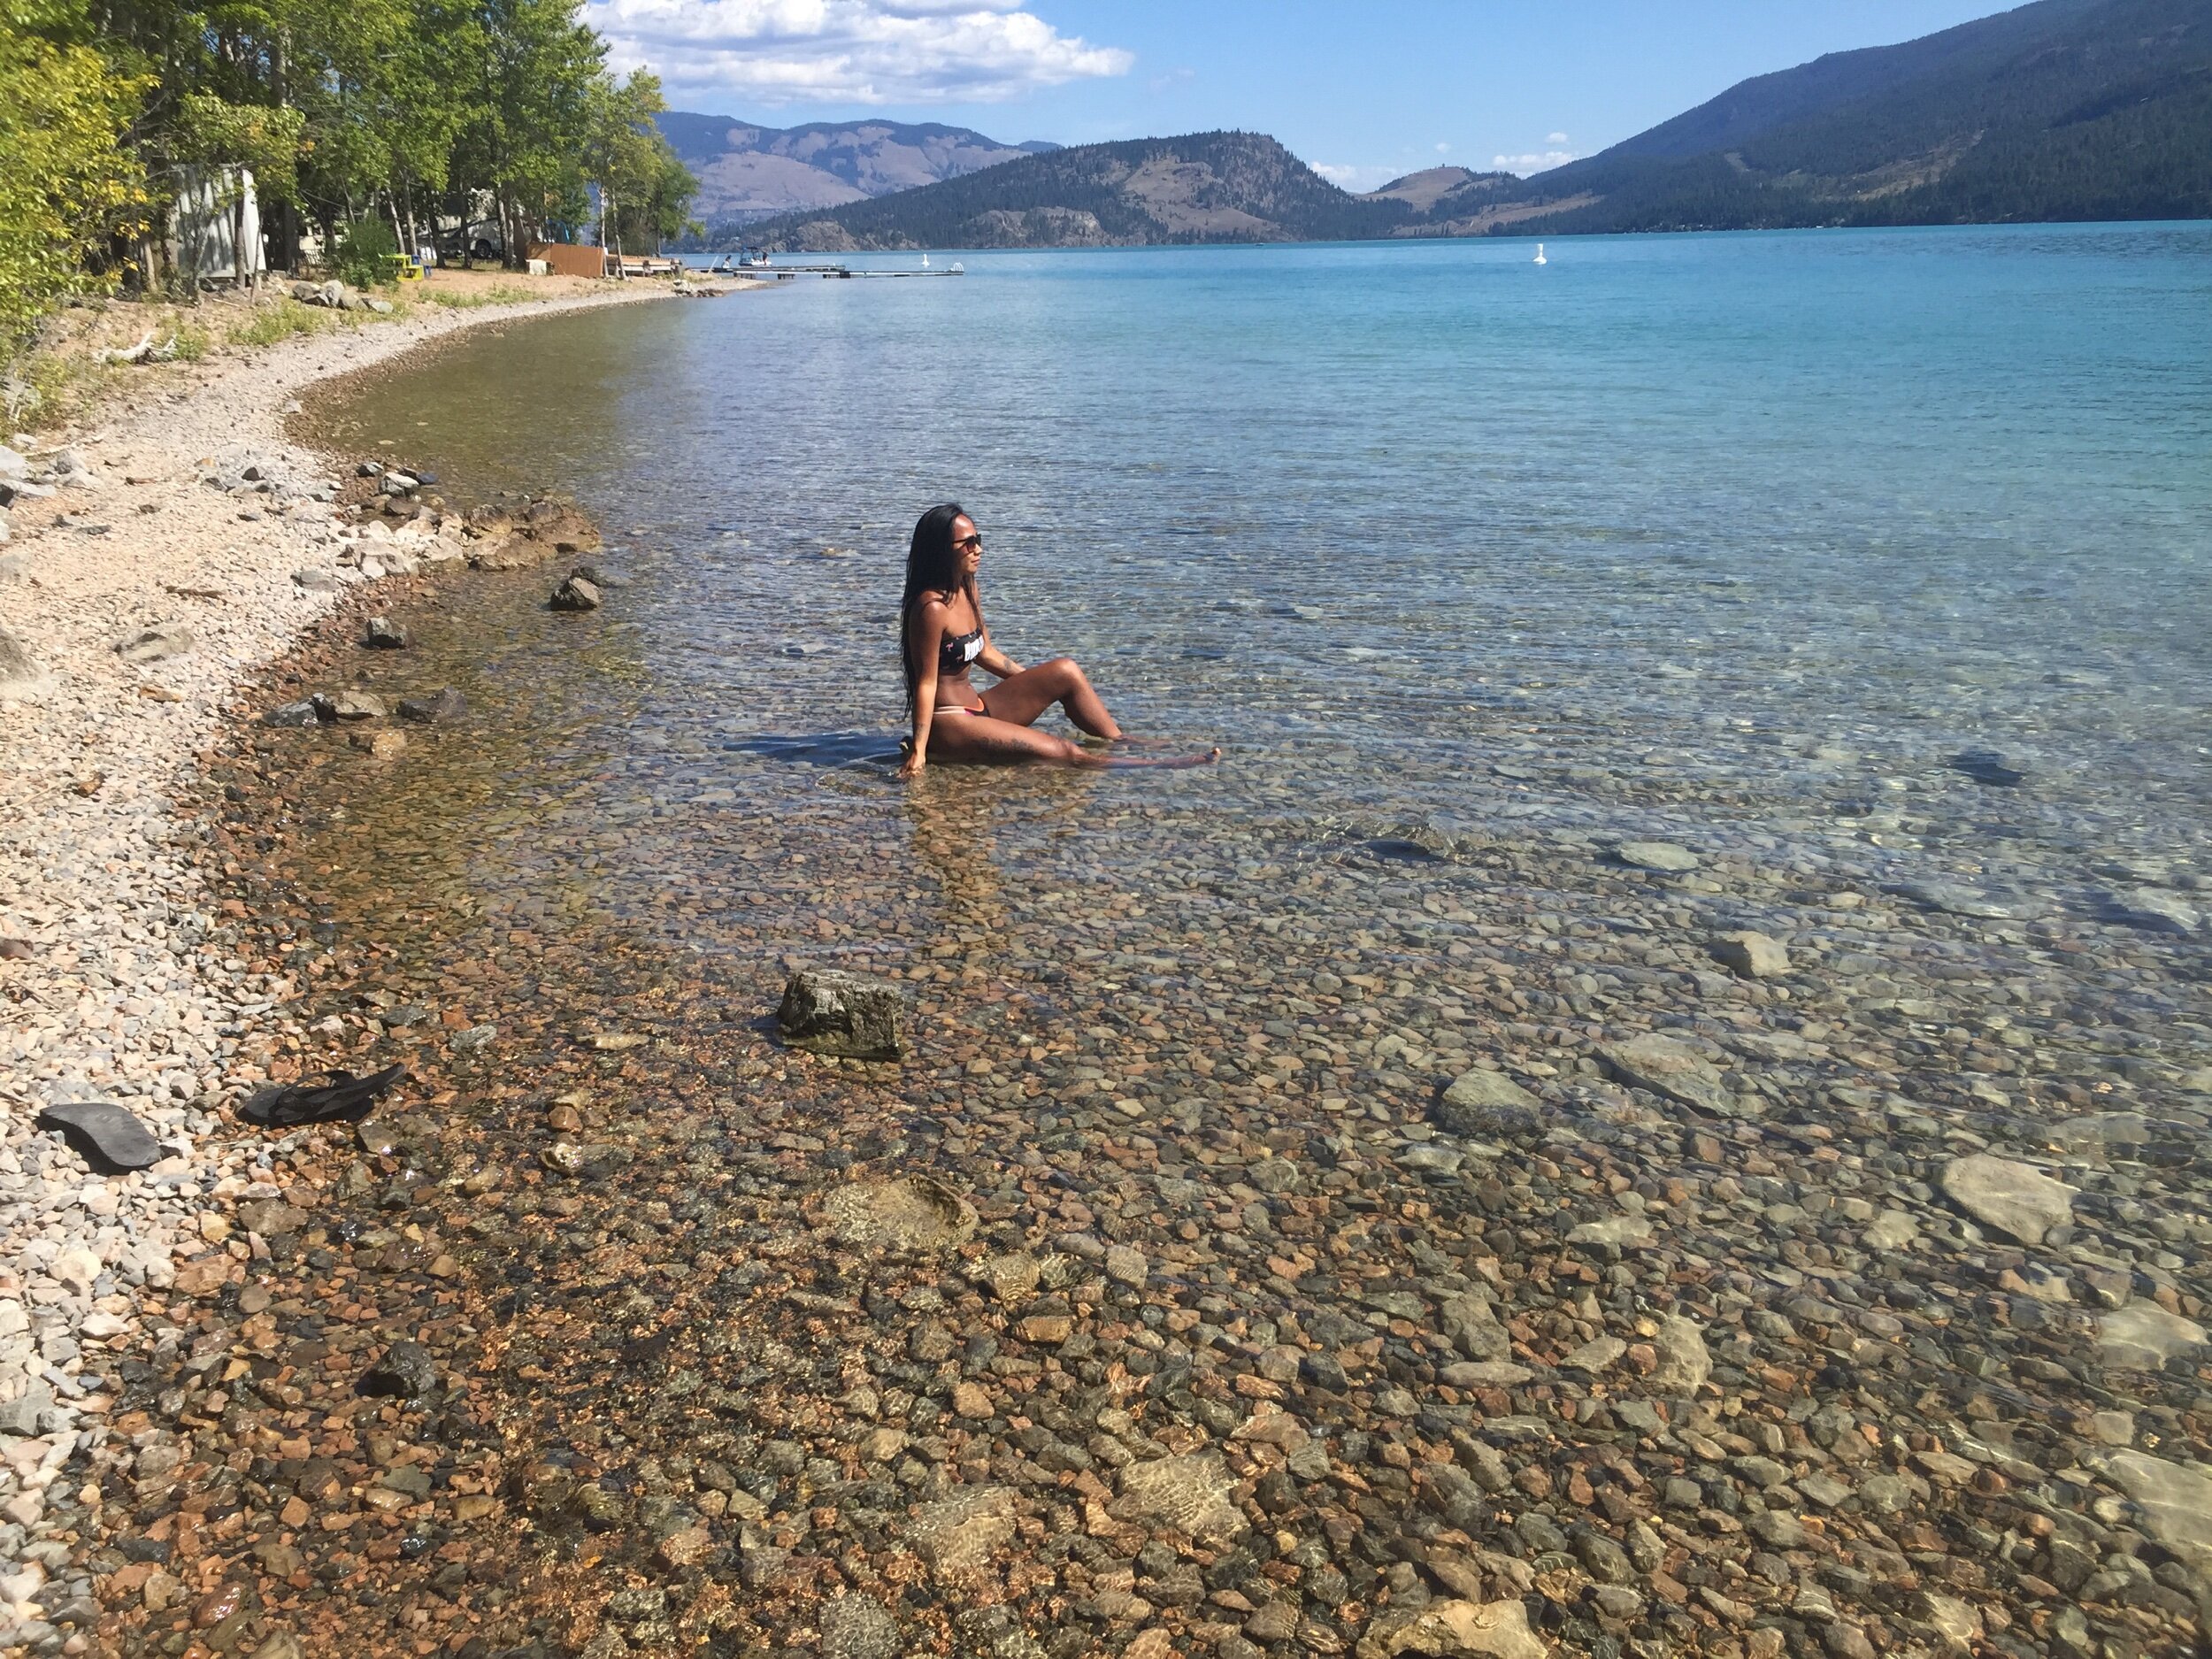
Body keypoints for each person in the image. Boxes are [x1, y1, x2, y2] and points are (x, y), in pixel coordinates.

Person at [896, 503, 1217, 777]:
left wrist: (1036, 685)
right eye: (967, 543)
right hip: (949, 724)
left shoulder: (968, 588)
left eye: (978, 540)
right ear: (942, 549)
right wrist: (920, 751)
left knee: (1065, 671)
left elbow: (986, 652)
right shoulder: (931, 609)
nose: (978, 549)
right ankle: (1154, 766)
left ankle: (1119, 739)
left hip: (979, 708)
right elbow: (925, 684)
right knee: (1065, 751)